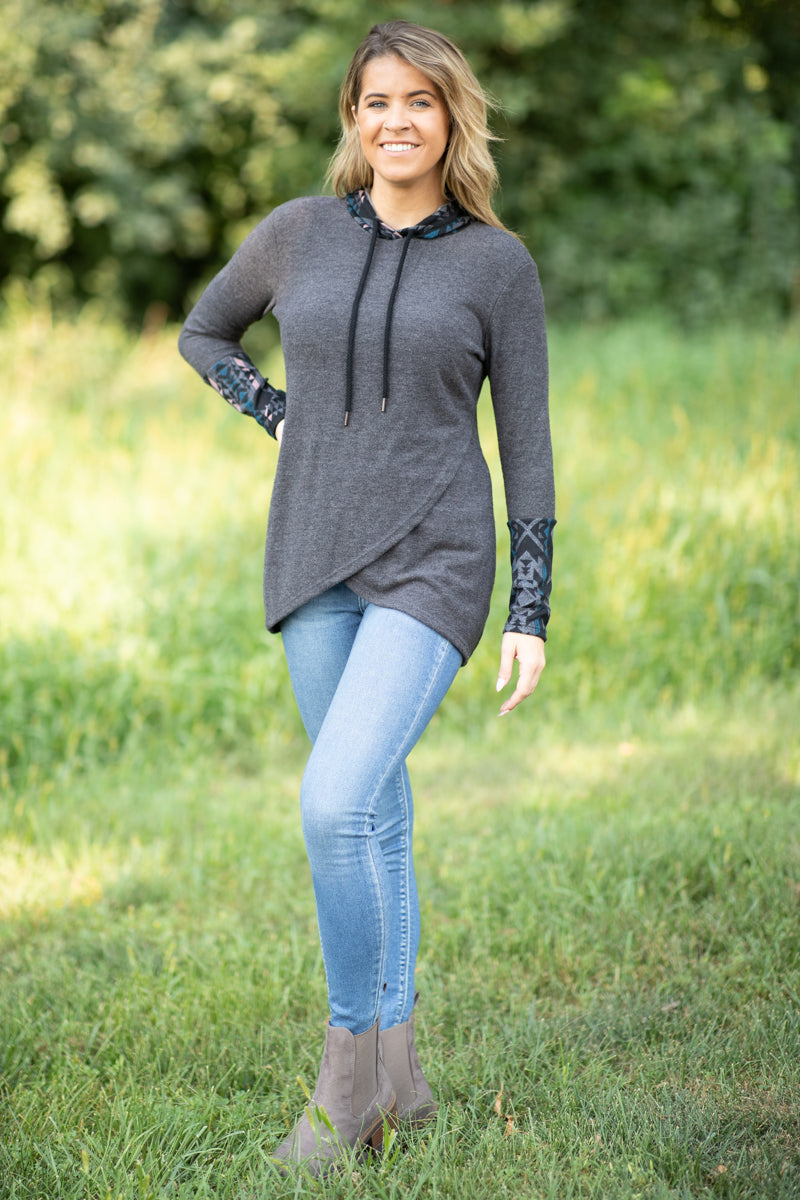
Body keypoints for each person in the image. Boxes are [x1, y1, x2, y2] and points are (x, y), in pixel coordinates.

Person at [178, 19, 555, 1178]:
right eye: (376, 100)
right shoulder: (298, 233)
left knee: (332, 802)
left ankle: (344, 1083)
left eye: (418, 101)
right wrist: (275, 412)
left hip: (435, 553)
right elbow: (204, 330)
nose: (396, 119)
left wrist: (529, 608)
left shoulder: (494, 265)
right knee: (375, 812)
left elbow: (526, 444)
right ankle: (400, 1081)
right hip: (311, 552)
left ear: (451, 118)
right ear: (353, 115)